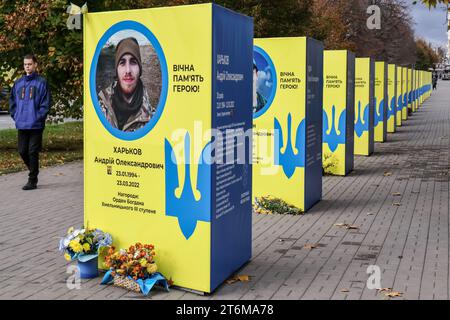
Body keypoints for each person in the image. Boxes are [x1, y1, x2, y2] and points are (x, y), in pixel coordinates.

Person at [9, 54, 51, 190]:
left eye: (30, 64)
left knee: (32, 151)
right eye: (25, 64)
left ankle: (32, 180)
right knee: (22, 151)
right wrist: (16, 115)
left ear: (35, 65)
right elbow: (12, 102)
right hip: (22, 123)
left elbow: (46, 103)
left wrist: (38, 117)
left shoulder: (42, 82)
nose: (27, 66)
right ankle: (34, 170)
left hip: (36, 124)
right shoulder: (18, 83)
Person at [98, 37, 155, 132]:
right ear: (117, 70)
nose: (128, 70)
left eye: (133, 62)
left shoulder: (152, 119)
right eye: (122, 63)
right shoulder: (100, 110)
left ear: (140, 69)